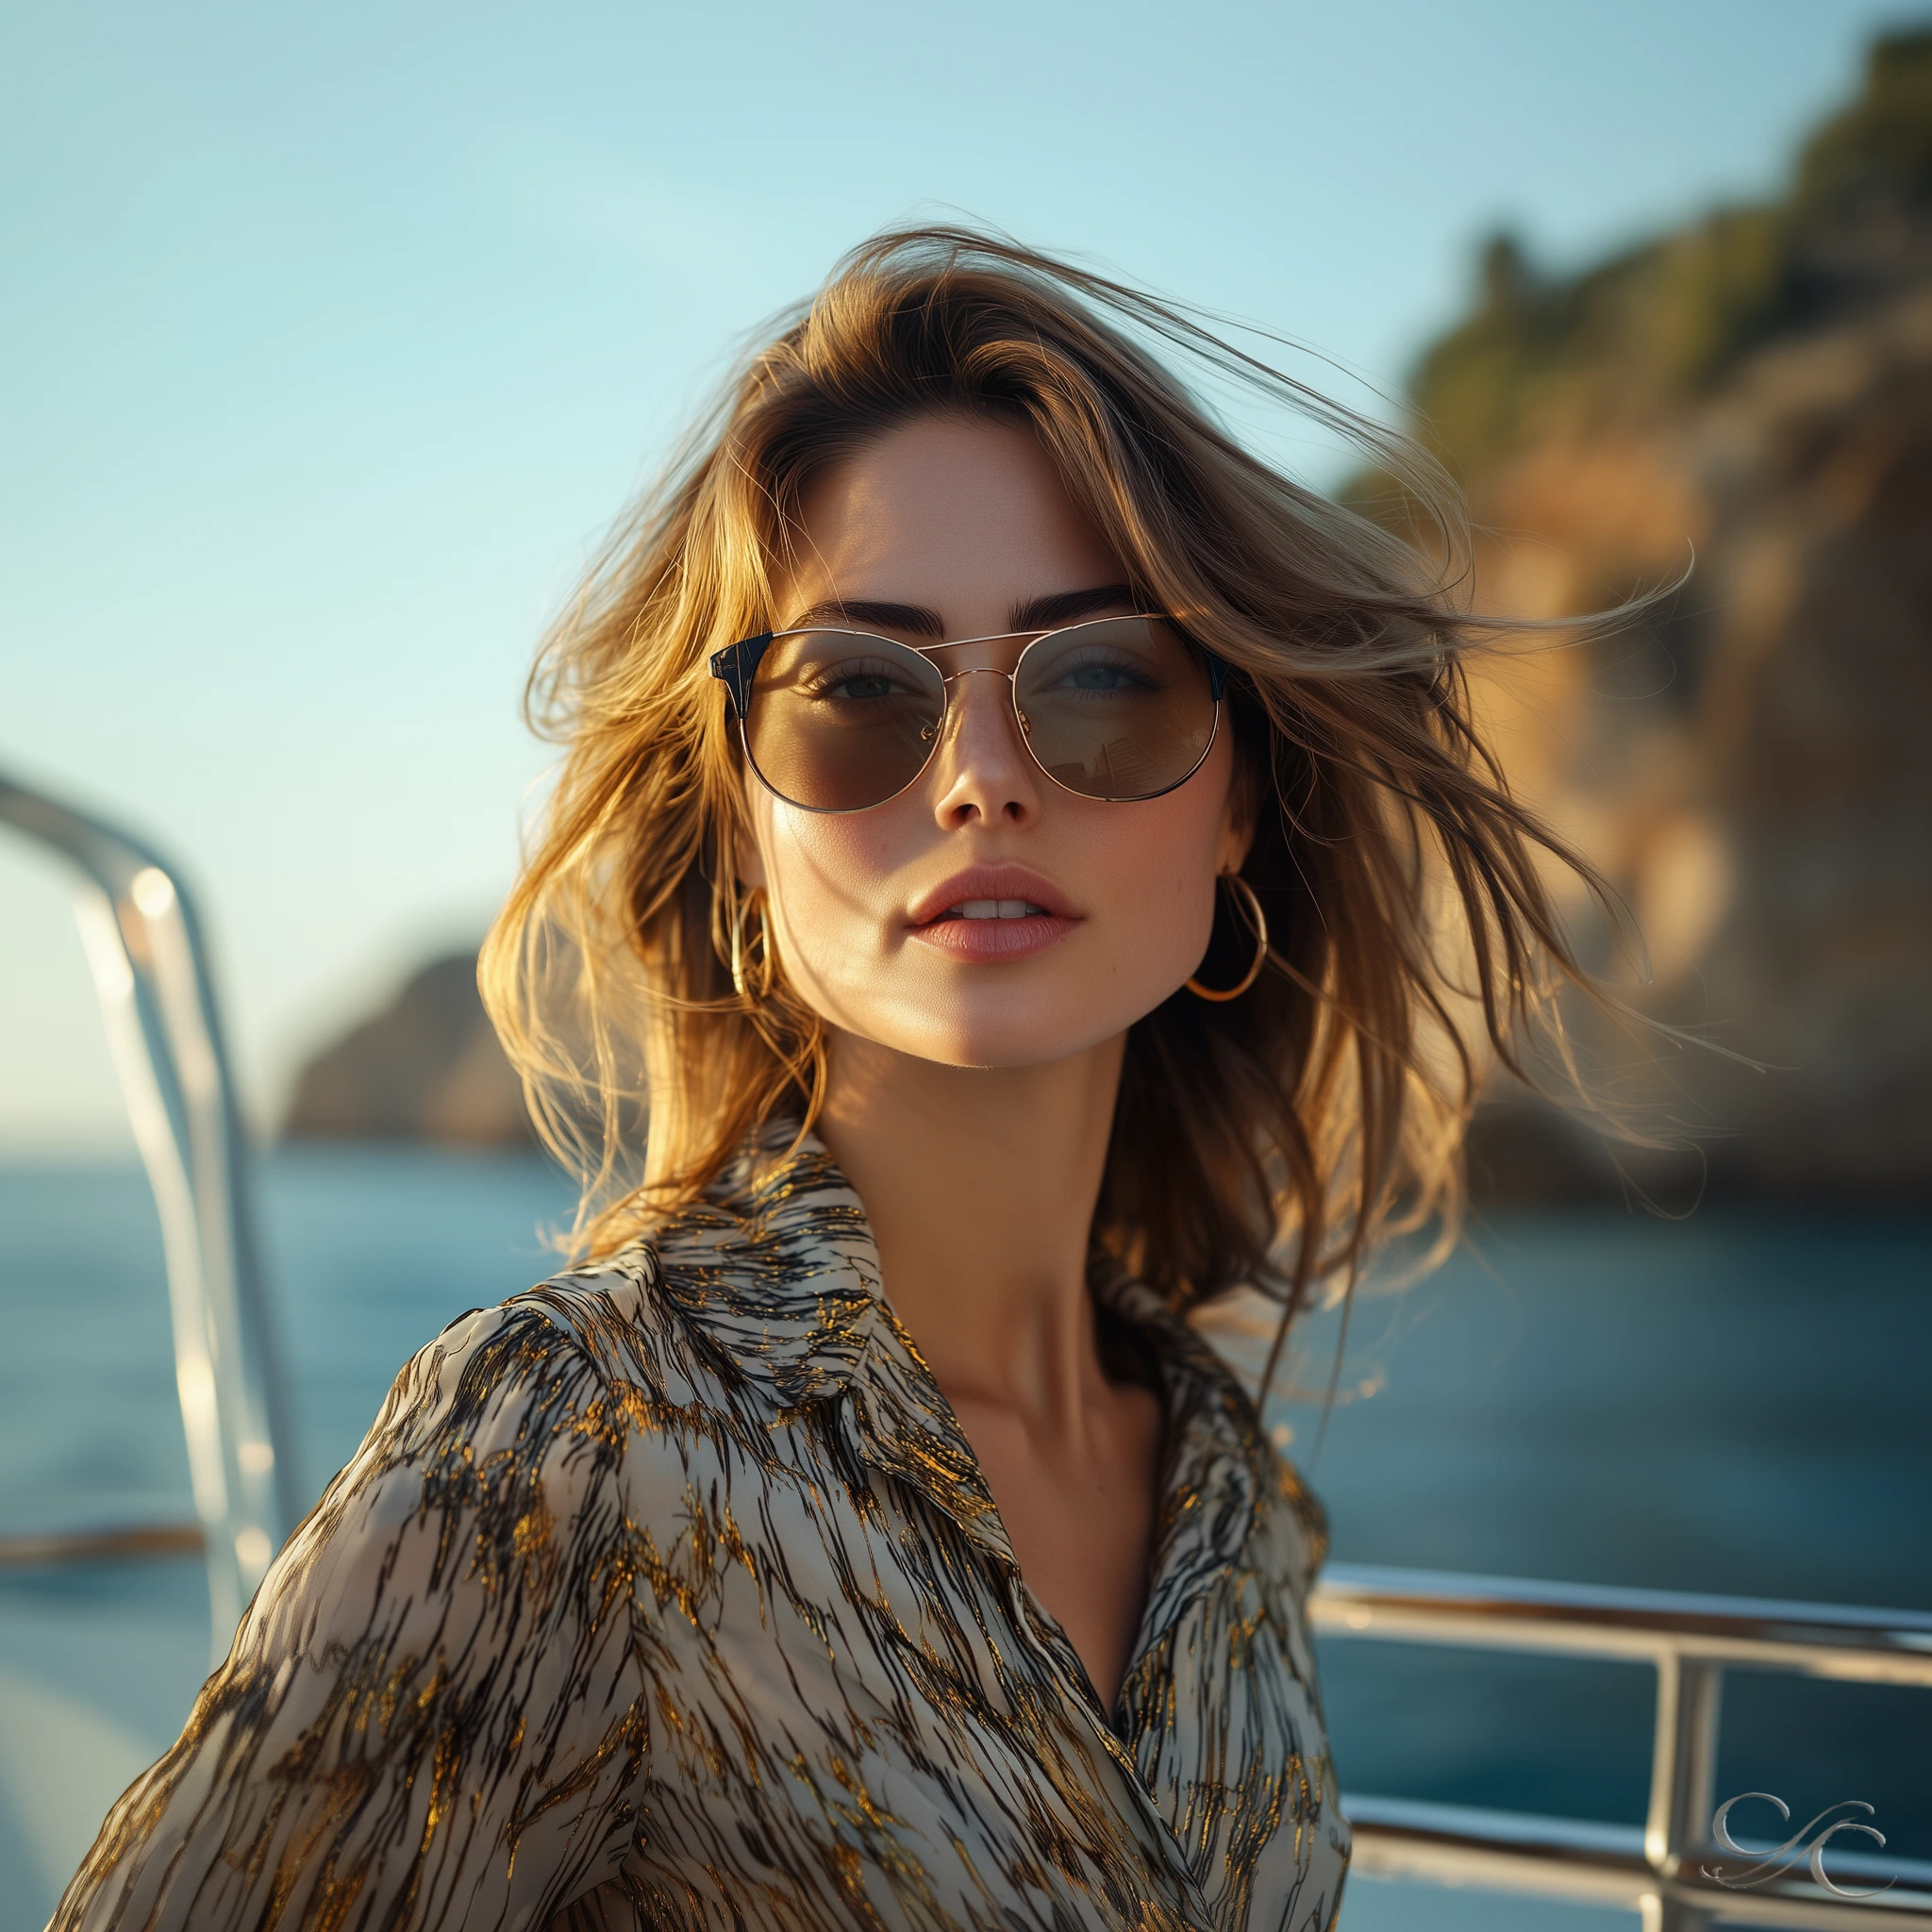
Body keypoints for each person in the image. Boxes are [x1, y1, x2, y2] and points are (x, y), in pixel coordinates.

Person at [56, 229, 1606, 1932]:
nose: (982, 782)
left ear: (1238, 797)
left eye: (1099, 678)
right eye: (860, 693)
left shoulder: (1230, 1494)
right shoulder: (576, 1443)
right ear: (738, 828)